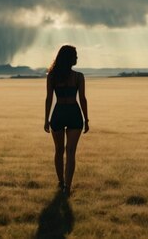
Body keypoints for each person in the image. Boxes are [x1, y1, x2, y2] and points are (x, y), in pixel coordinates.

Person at [44, 45, 89, 196]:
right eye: (75, 55)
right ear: (69, 58)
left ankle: (61, 182)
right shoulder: (78, 77)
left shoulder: (52, 76)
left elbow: (49, 99)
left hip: (58, 113)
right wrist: (86, 119)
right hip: (74, 113)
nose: (77, 58)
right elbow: (82, 99)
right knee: (70, 152)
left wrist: (46, 119)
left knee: (59, 150)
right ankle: (67, 188)